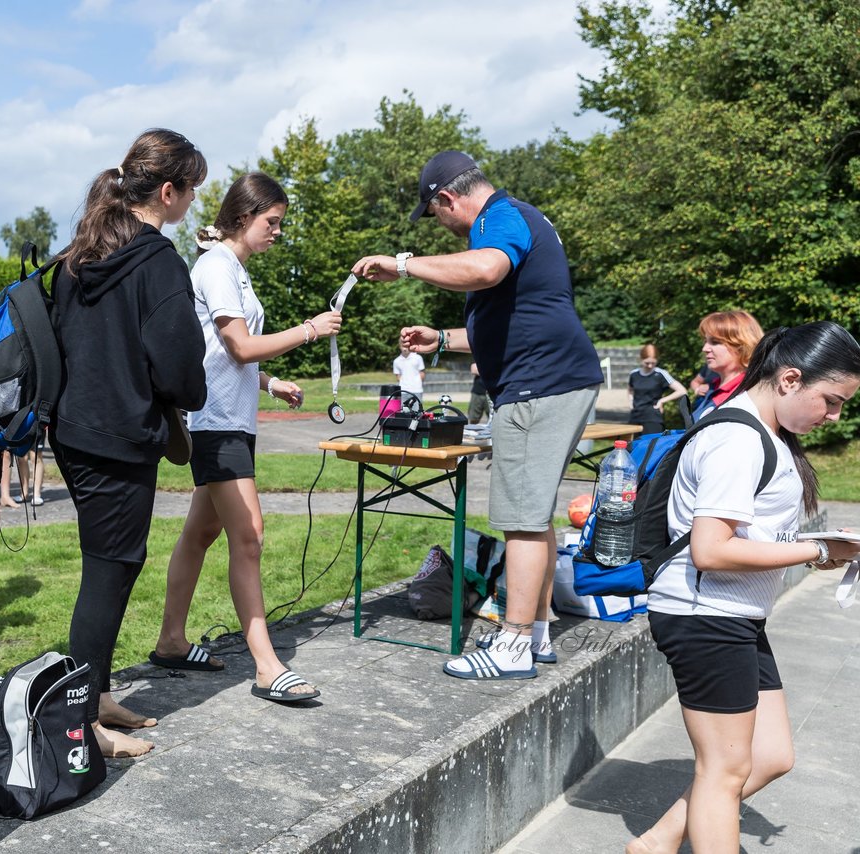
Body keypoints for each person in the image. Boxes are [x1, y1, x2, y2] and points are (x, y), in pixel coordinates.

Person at [352, 149, 604, 679]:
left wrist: (402, 265)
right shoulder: (516, 219)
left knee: (521, 518)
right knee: (533, 516)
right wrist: (441, 339)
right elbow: (511, 319)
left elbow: (488, 269)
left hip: (539, 386)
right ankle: (535, 635)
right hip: (554, 379)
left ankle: (512, 645)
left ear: (446, 199)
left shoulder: (498, 218)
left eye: (436, 215)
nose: (441, 227)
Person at [630, 321, 860, 854]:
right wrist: (820, 550)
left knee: (771, 756)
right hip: (702, 613)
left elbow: (749, 535)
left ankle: (656, 843)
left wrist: (818, 546)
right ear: (789, 380)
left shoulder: (767, 434)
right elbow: (710, 550)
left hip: (734, 614)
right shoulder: (736, 438)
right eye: (830, 401)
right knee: (725, 771)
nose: (834, 417)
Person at [151, 172, 340, 705]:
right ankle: (265, 664)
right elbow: (237, 345)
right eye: (271, 222)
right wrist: (309, 329)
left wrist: (269, 382)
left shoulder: (233, 269)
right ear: (242, 216)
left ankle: (170, 640)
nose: (277, 231)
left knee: (200, 535)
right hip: (215, 423)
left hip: (232, 418)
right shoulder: (216, 267)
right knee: (250, 534)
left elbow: (219, 353)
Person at [50, 128, 208, 758]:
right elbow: (178, 370)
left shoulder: (80, 257)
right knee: (108, 573)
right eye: (191, 189)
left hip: (76, 431)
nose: (193, 201)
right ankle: (82, 720)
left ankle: (98, 691)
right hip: (120, 437)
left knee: (114, 565)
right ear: (167, 191)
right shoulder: (159, 263)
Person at [692, 310, 763, 420]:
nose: (705, 349)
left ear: (741, 346)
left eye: (715, 342)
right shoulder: (714, 387)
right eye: (705, 341)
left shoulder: (746, 394)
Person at [627, 343, 687, 435]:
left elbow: (682, 391)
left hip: (652, 417)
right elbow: (630, 390)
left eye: (653, 363)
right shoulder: (634, 374)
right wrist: (631, 402)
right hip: (635, 415)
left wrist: (662, 401)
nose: (650, 366)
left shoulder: (660, 374)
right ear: (641, 359)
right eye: (647, 363)